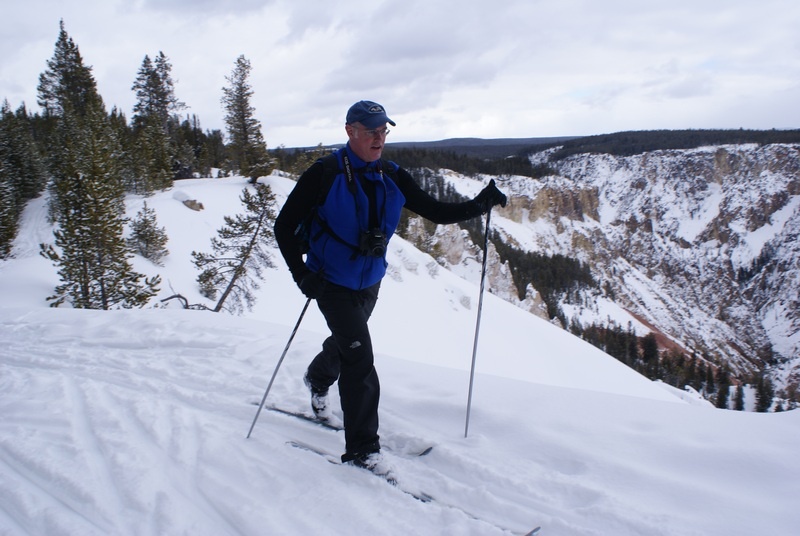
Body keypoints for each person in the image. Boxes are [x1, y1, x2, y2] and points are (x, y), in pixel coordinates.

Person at [274, 100, 506, 473]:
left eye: (384, 131)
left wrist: (480, 204)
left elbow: (436, 211)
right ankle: (363, 451)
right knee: (360, 359)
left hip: (370, 280)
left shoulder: (392, 174)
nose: (380, 138)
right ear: (350, 131)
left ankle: (317, 380)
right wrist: (301, 274)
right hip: (329, 281)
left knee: (348, 342)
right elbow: (284, 226)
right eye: (372, 131)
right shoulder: (325, 173)